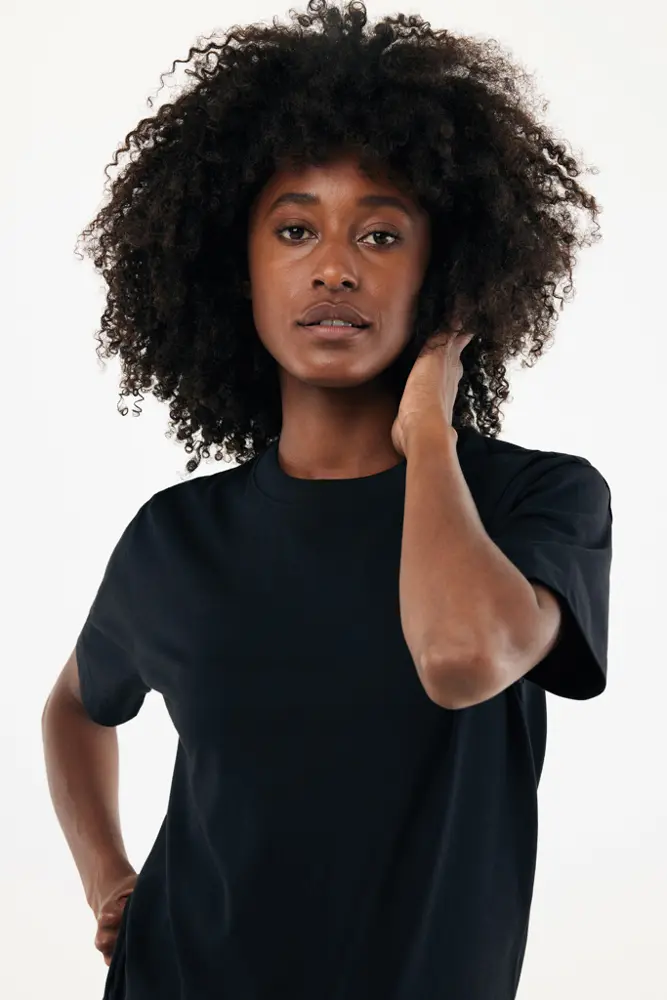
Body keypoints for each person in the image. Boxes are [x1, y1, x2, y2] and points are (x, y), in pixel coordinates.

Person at [41, 2, 613, 998]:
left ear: (446, 275)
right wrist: (107, 880)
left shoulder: (535, 500)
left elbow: (460, 657)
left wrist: (427, 433)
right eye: (295, 229)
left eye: (381, 235)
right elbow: (74, 707)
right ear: (239, 268)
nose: (336, 266)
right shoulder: (179, 536)